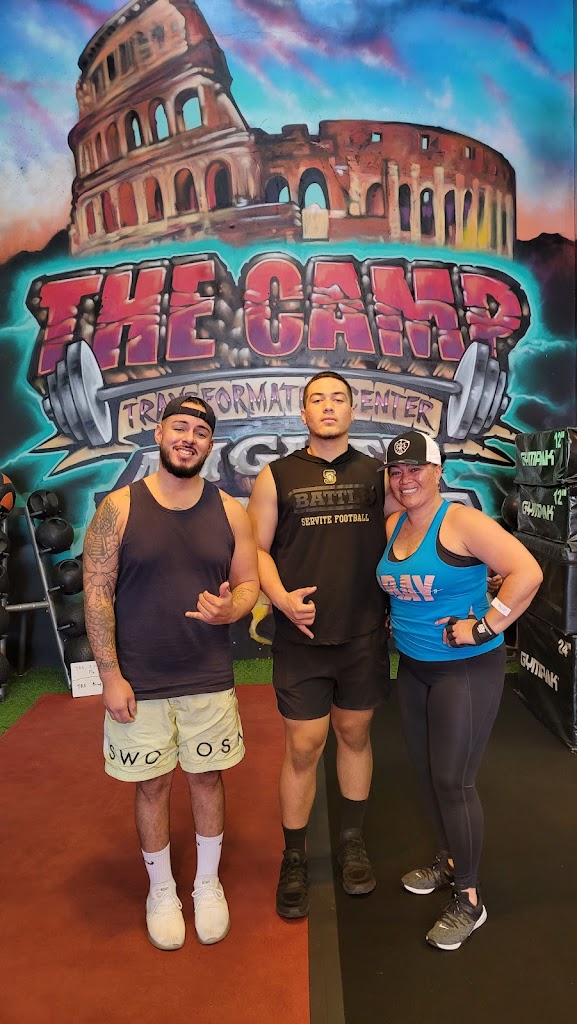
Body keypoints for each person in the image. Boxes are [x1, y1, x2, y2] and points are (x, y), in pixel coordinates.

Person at [83, 396, 259, 951]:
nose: (189, 438)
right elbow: (97, 595)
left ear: (211, 445)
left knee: (207, 779)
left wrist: (232, 610)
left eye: (200, 431)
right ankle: (161, 890)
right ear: (159, 434)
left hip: (208, 675)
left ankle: (207, 883)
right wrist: (110, 675)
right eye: (179, 427)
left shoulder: (231, 511)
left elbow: (249, 584)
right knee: (152, 784)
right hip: (140, 679)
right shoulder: (118, 508)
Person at [376, 429, 542, 950]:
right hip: (414, 669)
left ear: (438, 471)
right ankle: (448, 860)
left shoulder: (462, 522)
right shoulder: (394, 524)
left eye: (416, 469)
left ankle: (470, 899)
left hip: (464, 670)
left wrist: (486, 626)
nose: (406, 479)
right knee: (427, 774)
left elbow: (527, 571)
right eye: (397, 471)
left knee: (453, 781)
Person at [247, 370, 395, 919]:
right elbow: (255, 549)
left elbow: (406, 536)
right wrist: (281, 599)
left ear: (352, 410)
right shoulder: (275, 476)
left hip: (363, 634)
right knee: (304, 746)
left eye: (337, 398)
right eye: (317, 399)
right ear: (303, 412)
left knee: (354, 734)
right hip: (301, 637)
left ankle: (352, 842)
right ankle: (294, 857)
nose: (328, 406)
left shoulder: (379, 475)